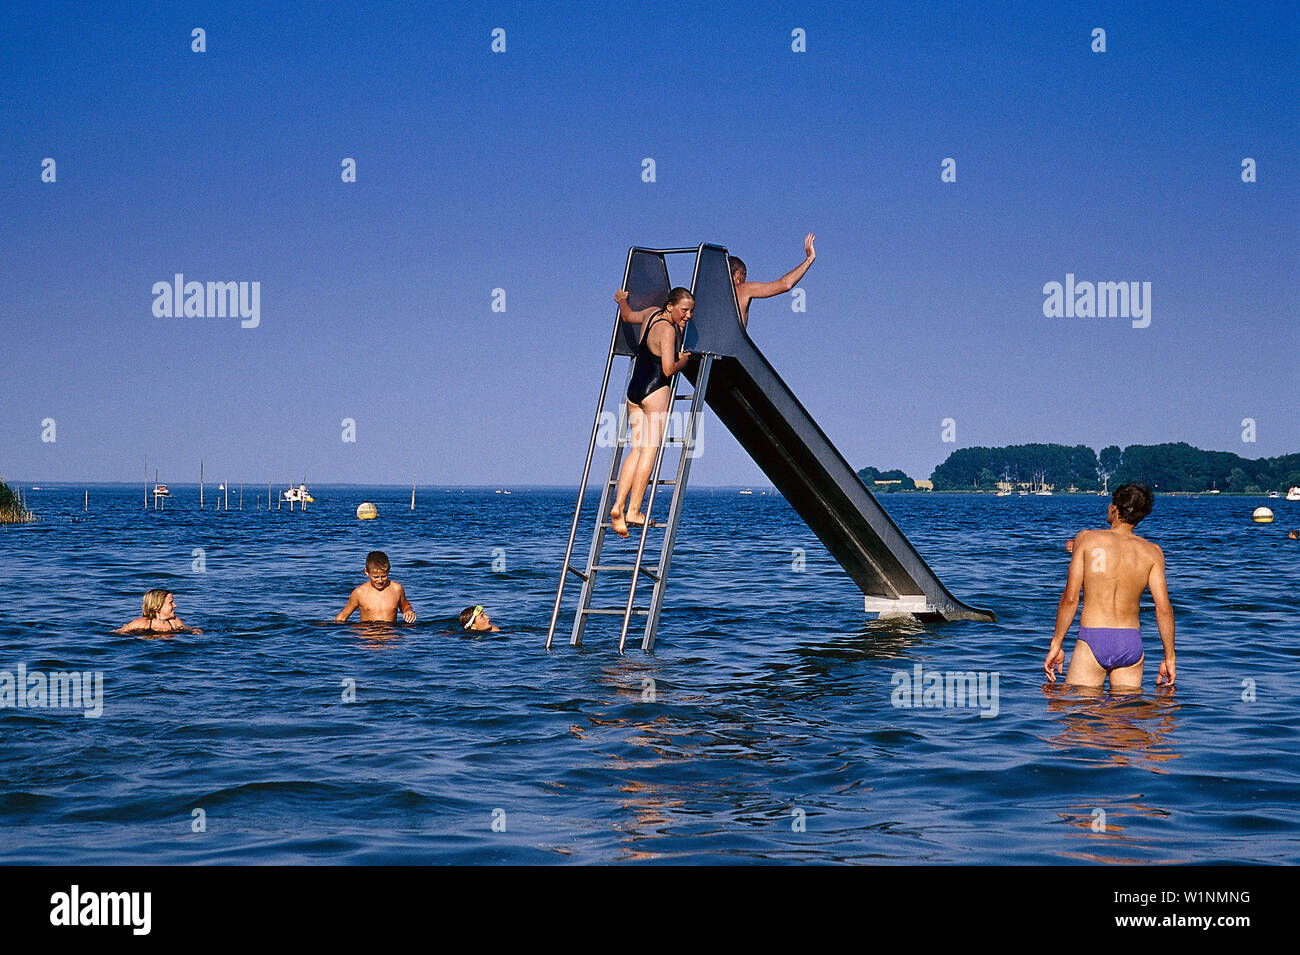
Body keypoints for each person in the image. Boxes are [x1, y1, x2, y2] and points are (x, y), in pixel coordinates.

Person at [1044, 484, 1175, 690]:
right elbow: (1164, 609)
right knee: (1124, 717)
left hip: (1092, 638)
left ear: (1115, 508)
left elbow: (1070, 599)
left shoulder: (1087, 539)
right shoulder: (1153, 552)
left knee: (1080, 717)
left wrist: (1056, 644)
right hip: (1130, 643)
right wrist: (1170, 658)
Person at [608, 286, 694, 538]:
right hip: (655, 390)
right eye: (684, 310)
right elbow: (668, 369)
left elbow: (627, 316)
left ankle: (618, 506)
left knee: (636, 449)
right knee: (650, 451)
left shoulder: (650, 314)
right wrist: (684, 360)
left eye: (690, 312)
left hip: (634, 389)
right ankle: (634, 510)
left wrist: (622, 300)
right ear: (670, 306)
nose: (687, 316)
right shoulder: (667, 330)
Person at [729, 233, 816, 328]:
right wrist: (809, 259)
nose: (745, 281)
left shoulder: (714, 293)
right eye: (744, 276)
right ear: (739, 275)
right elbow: (785, 284)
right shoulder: (743, 289)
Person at [335, 551, 416, 623]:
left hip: (391, 636)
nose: (380, 581)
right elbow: (342, 617)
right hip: (368, 636)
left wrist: (409, 611)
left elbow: (405, 606)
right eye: (375, 577)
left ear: (388, 571)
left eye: (384, 576)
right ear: (366, 572)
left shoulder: (396, 589)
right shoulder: (359, 593)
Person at [115, 589, 202, 635]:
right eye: (171, 603)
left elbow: (187, 629)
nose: (175, 605)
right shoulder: (142, 623)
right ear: (158, 607)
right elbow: (118, 632)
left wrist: (195, 631)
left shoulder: (174, 622)